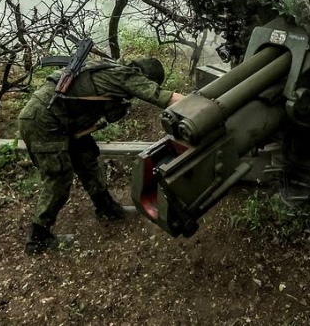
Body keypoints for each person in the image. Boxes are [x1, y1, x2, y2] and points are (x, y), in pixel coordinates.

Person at [18, 57, 185, 255]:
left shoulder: (111, 71)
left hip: (63, 121)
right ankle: (38, 237)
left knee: (87, 159)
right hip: (43, 122)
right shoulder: (125, 76)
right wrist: (201, 105)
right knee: (59, 177)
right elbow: (164, 97)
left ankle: (106, 207)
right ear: (145, 76)